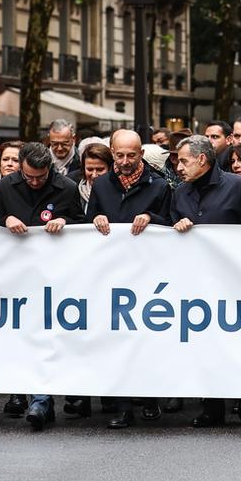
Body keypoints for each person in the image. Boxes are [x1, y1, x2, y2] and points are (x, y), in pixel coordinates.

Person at [0, 142, 86, 430]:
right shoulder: (5, 186)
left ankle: (41, 400)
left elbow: (82, 224)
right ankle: (34, 398)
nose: (34, 182)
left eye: (40, 177)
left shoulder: (67, 187)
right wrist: (4, 218)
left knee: (46, 335)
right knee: (23, 337)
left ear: (49, 170)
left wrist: (64, 220)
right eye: (29, 176)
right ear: (20, 167)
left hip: (52, 276)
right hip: (15, 273)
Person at [170, 135, 241, 428]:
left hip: (231, 277)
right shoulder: (180, 192)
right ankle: (211, 406)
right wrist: (178, 226)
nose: (179, 167)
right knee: (205, 343)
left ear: (202, 160)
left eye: (184, 160)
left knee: (236, 341)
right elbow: (170, 234)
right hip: (195, 279)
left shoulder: (236, 186)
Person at [88, 130, 173, 428]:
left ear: (141, 154)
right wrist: (94, 219)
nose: (125, 161)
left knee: (147, 339)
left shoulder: (160, 186)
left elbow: (172, 223)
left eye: (131, 155)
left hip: (149, 274)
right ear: (112, 152)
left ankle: (150, 399)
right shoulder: (100, 184)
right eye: (119, 155)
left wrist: (152, 217)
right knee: (118, 341)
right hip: (112, 273)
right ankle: (123, 406)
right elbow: (86, 223)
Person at [78, 143, 113, 214]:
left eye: (100, 170)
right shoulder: (73, 188)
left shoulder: (117, 192)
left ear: (110, 168)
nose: (94, 175)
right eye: (90, 169)